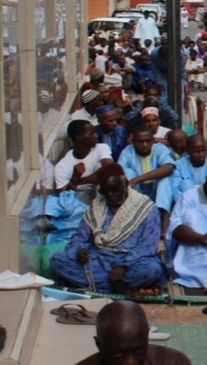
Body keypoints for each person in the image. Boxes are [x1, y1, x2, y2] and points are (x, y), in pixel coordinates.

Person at [51, 164, 167, 293]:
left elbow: (148, 246)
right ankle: (117, 287)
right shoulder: (96, 207)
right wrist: (80, 250)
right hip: (98, 258)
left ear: (125, 184)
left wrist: (123, 265)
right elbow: (80, 236)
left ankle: (96, 285)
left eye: (115, 190)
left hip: (132, 261)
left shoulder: (147, 209)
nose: (110, 195)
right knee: (58, 260)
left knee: (152, 270)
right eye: (105, 192)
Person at [75, 301, 191, 365]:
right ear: (99, 345)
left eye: (139, 351)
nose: (131, 363)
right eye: (118, 355)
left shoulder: (175, 361)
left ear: (146, 337)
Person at [118, 126, 175, 213]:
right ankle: (133, 213)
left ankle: (163, 215)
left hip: (156, 191)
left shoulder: (160, 149)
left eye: (147, 141)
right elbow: (119, 171)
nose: (144, 145)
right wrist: (134, 181)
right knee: (127, 173)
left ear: (153, 140)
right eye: (140, 141)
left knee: (165, 180)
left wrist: (137, 179)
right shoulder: (128, 151)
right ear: (133, 142)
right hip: (137, 191)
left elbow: (169, 168)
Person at [55, 121, 114, 204]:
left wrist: (78, 181)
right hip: (77, 207)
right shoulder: (62, 166)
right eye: (91, 134)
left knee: (99, 167)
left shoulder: (101, 148)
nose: (96, 136)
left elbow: (111, 170)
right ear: (79, 137)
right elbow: (62, 198)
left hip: (102, 204)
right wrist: (74, 180)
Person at [171, 135, 207, 201]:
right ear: (188, 151)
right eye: (196, 152)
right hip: (188, 204)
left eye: (203, 150)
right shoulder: (178, 165)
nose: (201, 154)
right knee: (186, 184)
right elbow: (174, 190)